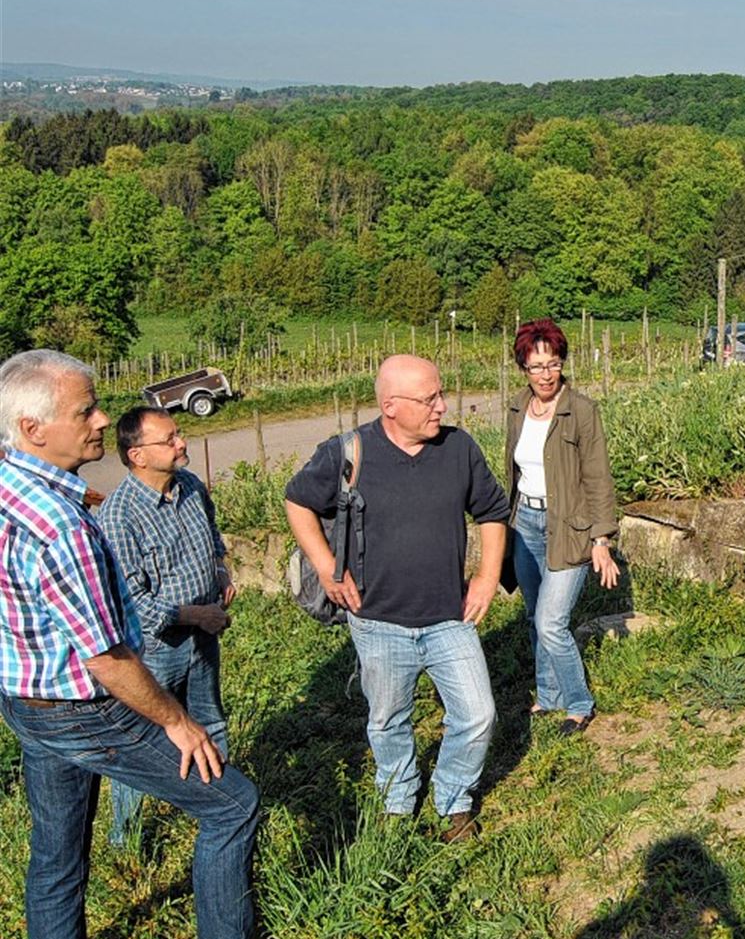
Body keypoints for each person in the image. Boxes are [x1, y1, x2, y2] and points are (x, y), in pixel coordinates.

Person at [0, 350, 263, 939]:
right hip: (82, 707)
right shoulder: (60, 526)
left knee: (56, 855)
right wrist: (176, 720)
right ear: (35, 428)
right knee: (231, 803)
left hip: (26, 697)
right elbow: (109, 659)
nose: (99, 421)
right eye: (84, 410)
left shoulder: (16, 488)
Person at [284, 354, 509, 842]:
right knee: (387, 720)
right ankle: (398, 796)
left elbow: (492, 511)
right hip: (376, 619)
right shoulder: (349, 453)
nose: (442, 407)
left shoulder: (459, 449)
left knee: (478, 714)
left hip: (450, 616)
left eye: (441, 394)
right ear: (390, 405)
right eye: (429, 399)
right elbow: (298, 500)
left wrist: (488, 577)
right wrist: (327, 567)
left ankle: (453, 799)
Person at [99, 406, 235, 848]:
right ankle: (127, 838)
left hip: (203, 633)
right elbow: (131, 599)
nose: (182, 443)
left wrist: (221, 574)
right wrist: (196, 614)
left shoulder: (190, 486)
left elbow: (212, 538)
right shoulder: (120, 515)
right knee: (145, 739)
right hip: (158, 647)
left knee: (209, 720)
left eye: (179, 434)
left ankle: (219, 807)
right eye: (169, 439)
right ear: (137, 454)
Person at [505, 319, 620, 735]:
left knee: (551, 622)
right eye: (536, 367)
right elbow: (512, 471)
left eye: (553, 364)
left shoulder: (582, 410)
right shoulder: (518, 408)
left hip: (568, 526)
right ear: (523, 369)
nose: (546, 375)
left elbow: (598, 477)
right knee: (535, 614)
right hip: (525, 525)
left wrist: (601, 538)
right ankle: (548, 694)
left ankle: (578, 702)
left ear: (562, 364)